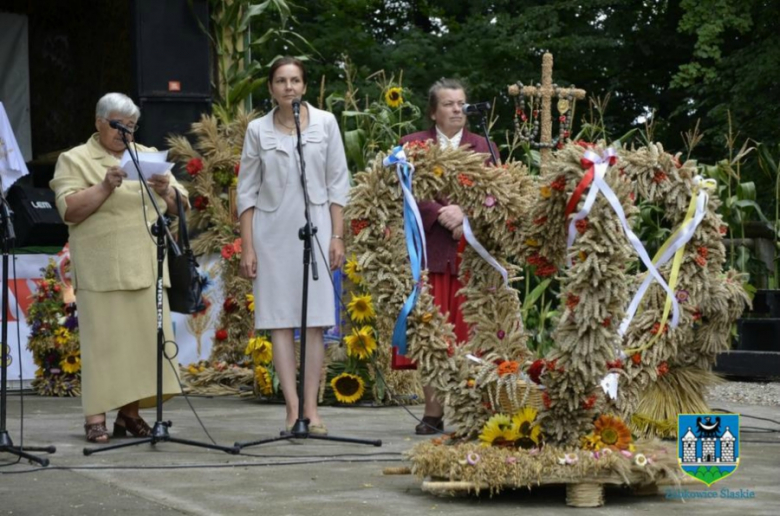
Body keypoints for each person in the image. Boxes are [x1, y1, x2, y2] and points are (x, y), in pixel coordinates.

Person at [50, 93, 188, 443]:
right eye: (116, 124)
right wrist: (104, 186)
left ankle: (129, 417)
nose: (123, 131)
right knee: (104, 346)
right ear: (98, 122)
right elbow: (69, 210)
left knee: (142, 348)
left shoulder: (146, 156)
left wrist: (166, 191)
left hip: (145, 266)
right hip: (100, 269)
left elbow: (181, 206)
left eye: (129, 125)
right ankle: (95, 417)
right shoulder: (75, 159)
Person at [238, 57, 349, 436]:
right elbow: (247, 191)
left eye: (295, 80)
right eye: (281, 81)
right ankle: (292, 409)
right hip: (271, 232)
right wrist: (247, 246)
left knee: (316, 321)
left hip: (316, 227)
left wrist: (337, 235)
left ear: (304, 86)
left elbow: (338, 183)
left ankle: (313, 410)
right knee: (280, 322)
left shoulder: (325, 123)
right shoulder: (257, 130)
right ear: (271, 89)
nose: (289, 87)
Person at [400, 78, 498, 435]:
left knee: (471, 335)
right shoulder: (412, 145)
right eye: (448, 104)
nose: (457, 109)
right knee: (432, 335)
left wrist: (465, 216)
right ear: (433, 111)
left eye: (461, 103)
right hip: (429, 252)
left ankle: (473, 411)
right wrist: (440, 212)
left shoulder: (484, 146)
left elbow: (496, 194)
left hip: (470, 255)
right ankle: (432, 412)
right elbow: (404, 191)